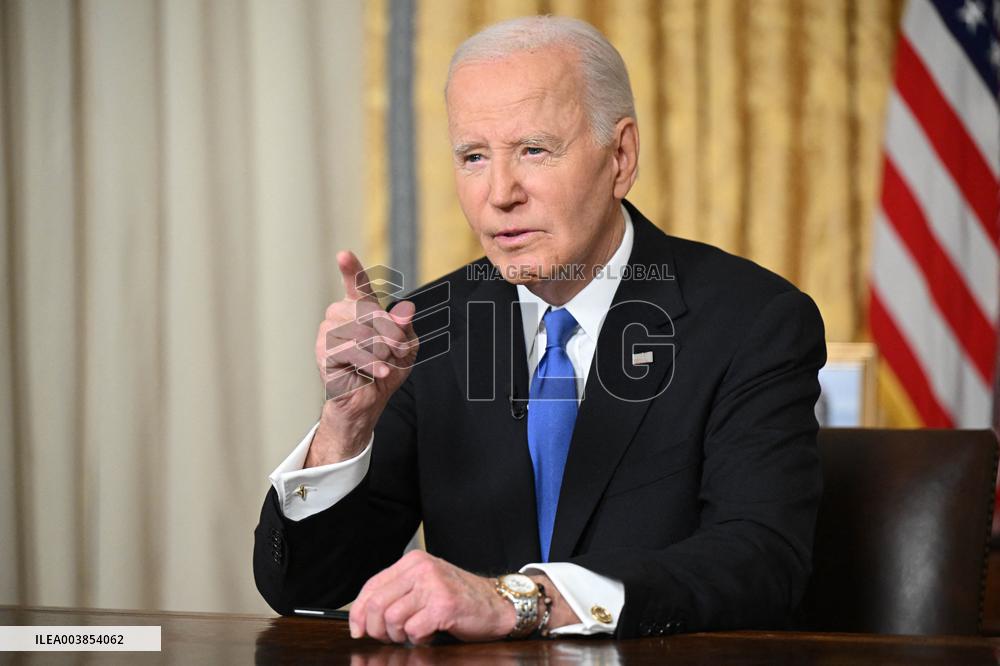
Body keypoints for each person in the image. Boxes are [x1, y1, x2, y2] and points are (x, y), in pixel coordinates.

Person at [253, 15, 825, 645]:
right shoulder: (427, 326)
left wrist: (523, 601)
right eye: (474, 156)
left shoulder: (753, 320)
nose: (500, 193)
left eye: (533, 150)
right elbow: (304, 588)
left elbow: (762, 560)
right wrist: (344, 428)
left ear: (621, 157)